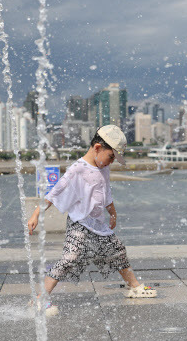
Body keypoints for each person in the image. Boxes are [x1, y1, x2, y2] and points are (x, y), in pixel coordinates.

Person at [27, 125, 157, 317]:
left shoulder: (102, 168)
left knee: (118, 251)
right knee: (69, 258)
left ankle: (135, 287)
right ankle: (39, 299)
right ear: (97, 148)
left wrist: (113, 213)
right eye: (111, 157)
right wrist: (36, 213)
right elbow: (56, 191)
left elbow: (106, 194)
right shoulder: (78, 169)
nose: (111, 162)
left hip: (98, 224)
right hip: (79, 222)